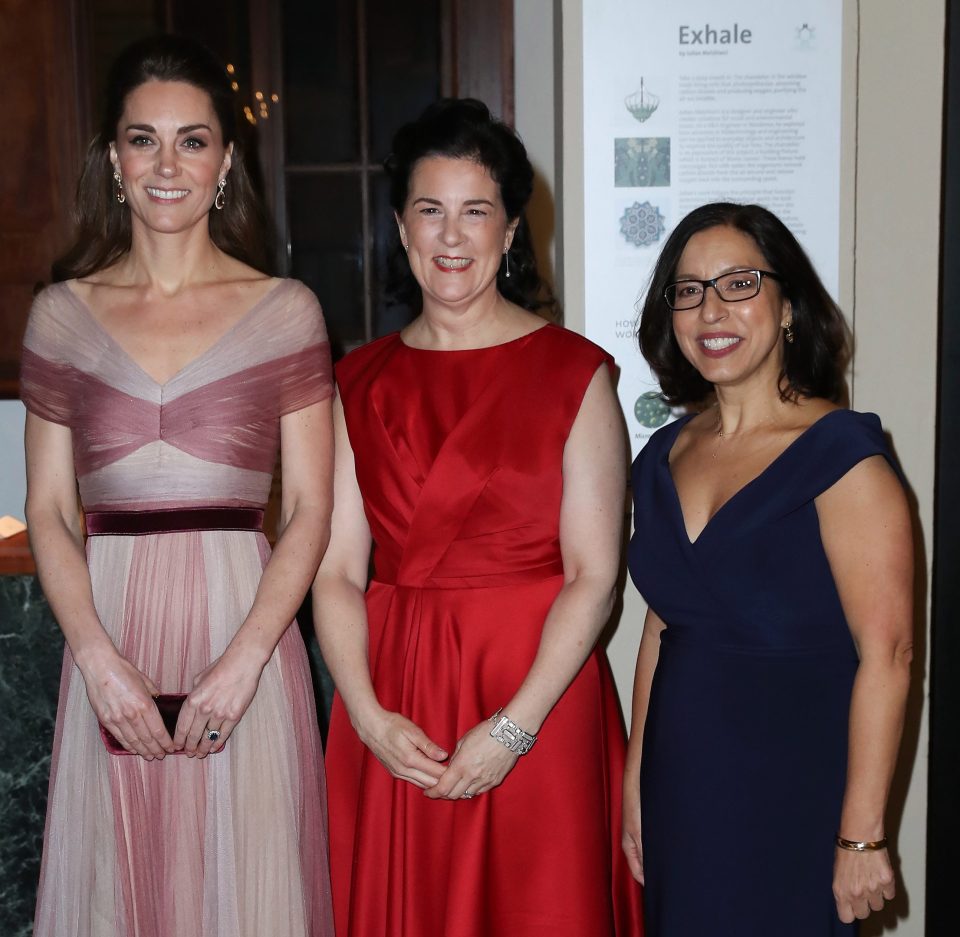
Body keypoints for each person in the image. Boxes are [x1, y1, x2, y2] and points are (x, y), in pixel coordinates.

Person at [22, 35, 334, 937]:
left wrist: (245, 666)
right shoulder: (60, 314)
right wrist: (97, 661)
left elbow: (311, 508)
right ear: (112, 160)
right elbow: (47, 508)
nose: (168, 165)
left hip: (246, 634)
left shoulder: (285, 309)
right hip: (108, 640)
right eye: (142, 139)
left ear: (226, 161)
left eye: (192, 140)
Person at [313, 98, 645, 937]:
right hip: (396, 704)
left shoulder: (577, 374)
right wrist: (365, 711)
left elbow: (595, 575)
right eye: (430, 211)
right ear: (400, 227)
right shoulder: (355, 380)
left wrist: (513, 727)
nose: (451, 237)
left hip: (539, 694)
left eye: (476, 212)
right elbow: (338, 569)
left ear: (509, 233)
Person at [622, 202, 913, 935]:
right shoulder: (661, 457)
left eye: (739, 283)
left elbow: (890, 654)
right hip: (682, 786)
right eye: (688, 289)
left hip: (795, 792)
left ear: (787, 307)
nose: (710, 309)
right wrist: (635, 781)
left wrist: (862, 832)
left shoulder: (841, 454)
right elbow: (662, 627)